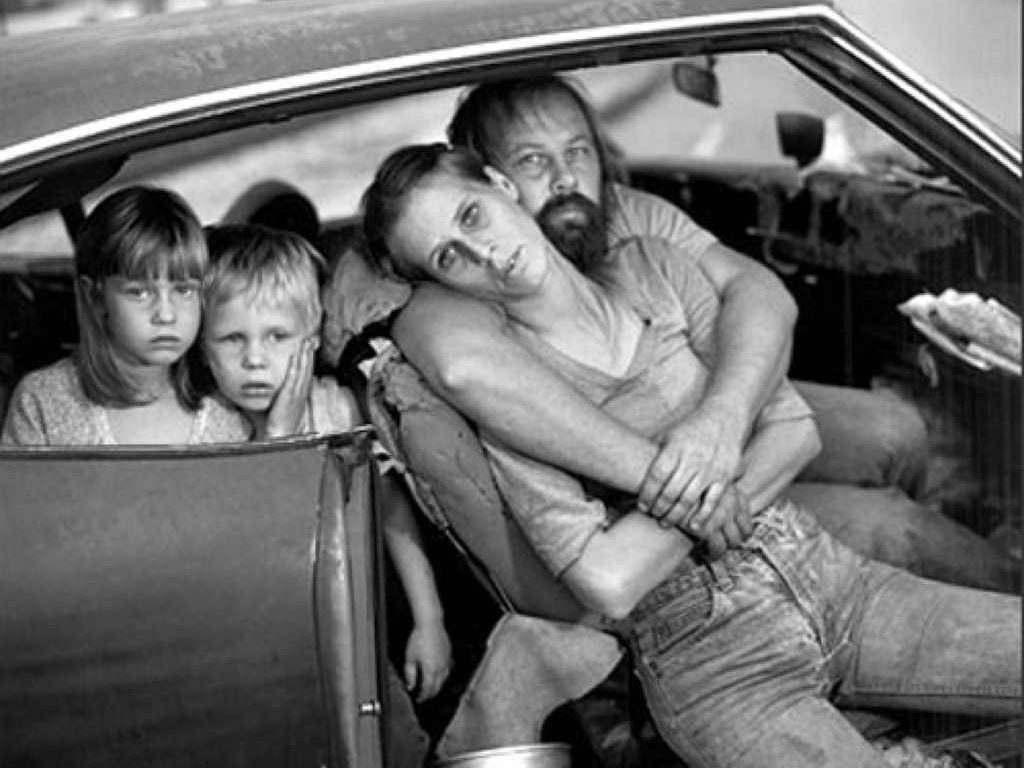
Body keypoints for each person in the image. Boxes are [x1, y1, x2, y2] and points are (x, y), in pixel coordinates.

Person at [360, 143, 1021, 768]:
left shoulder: (653, 267)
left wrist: (711, 442)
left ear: (502, 185)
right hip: (709, 657)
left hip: (827, 571)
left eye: (472, 215)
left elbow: (796, 431)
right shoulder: (512, 405)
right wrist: (712, 498)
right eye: (450, 257)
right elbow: (608, 580)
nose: (483, 252)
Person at [387, 74, 1021, 593]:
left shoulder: (629, 215)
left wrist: (722, 419)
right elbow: (457, 363)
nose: (565, 179)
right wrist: (694, 484)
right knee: (893, 529)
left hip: (719, 419)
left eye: (578, 152)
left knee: (897, 430)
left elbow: (760, 293)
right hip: (649, 506)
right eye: (533, 161)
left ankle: (919, 577)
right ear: (493, 178)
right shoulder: (465, 275)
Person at [197, 224, 452, 762]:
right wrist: (277, 439)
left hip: (353, 636)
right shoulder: (205, 428)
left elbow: (390, 510)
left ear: (311, 339)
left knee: (397, 748)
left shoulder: (339, 410)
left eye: (277, 337)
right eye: (231, 339)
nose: (254, 359)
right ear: (202, 346)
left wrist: (429, 620)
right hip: (253, 655)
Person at [1, 185, 249, 446]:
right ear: (95, 296)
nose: (166, 315)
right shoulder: (43, 401)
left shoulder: (229, 402)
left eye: (184, 290)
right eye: (139, 293)